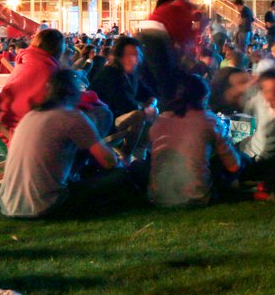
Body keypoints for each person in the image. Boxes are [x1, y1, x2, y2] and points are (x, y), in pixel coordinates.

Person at [0, 70, 125, 218]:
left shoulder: (30, 116)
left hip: (8, 204)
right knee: (122, 176)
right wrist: (119, 161)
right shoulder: (71, 117)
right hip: (47, 204)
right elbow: (108, 162)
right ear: (74, 91)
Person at [148, 74, 240, 208]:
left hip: (158, 198)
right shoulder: (209, 120)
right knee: (233, 159)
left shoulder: (160, 120)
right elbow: (234, 165)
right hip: (195, 198)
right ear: (204, 98)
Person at [0, 28, 65, 131]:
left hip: (7, 117)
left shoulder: (26, 61)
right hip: (26, 125)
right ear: (58, 48)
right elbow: (57, 103)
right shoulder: (46, 69)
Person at [89, 35, 157, 150]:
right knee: (140, 115)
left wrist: (151, 103)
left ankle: (143, 151)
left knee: (151, 111)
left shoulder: (131, 75)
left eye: (137, 55)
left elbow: (148, 93)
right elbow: (124, 104)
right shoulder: (109, 74)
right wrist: (146, 109)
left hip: (119, 120)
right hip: (104, 124)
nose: (135, 59)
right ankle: (128, 155)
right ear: (119, 57)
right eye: (131, 55)